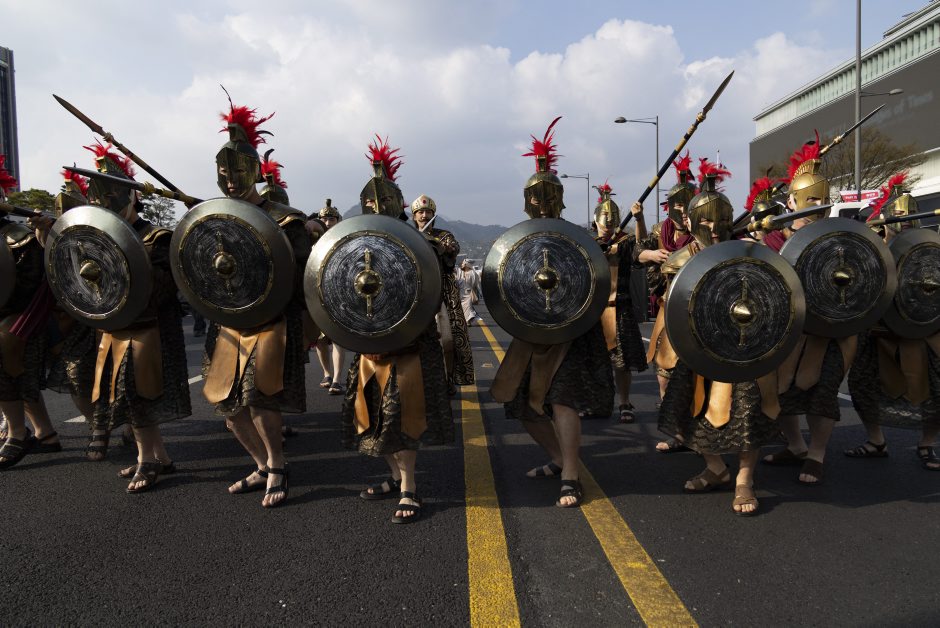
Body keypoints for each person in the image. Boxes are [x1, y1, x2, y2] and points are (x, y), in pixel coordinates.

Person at [489, 117, 613, 508]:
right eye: (536, 198)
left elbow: (592, 281)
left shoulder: (579, 240)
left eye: (548, 197)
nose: (542, 203)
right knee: (522, 404)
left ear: (559, 199)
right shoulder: (518, 242)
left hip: (571, 331)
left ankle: (572, 475)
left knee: (562, 400)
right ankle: (559, 458)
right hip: (531, 333)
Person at [201, 96, 311, 507]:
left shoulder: (286, 218)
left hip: (271, 320)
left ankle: (278, 465)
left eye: (239, 172)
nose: (231, 181)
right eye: (224, 173)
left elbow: (301, 274)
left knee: (259, 399)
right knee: (229, 410)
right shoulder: (213, 217)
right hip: (228, 322)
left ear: (254, 172)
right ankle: (262, 464)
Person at [341, 136, 454, 523]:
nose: (376, 208)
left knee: (401, 418)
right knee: (373, 419)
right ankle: (394, 477)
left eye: (382, 202)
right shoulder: (356, 242)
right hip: (370, 343)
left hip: (409, 346)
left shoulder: (424, 242)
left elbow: (435, 280)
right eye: (369, 204)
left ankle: (409, 487)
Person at [658, 160, 778, 516]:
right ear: (692, 221)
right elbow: (674, 307)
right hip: (697, 349)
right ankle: (715, 468)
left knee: (748, 415)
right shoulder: (679, 260)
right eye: (705, 221)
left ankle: (744, 479)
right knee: (687, 415)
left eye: (719, 220)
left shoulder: (746, 252)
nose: (712, 228)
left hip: (743, 346)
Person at [79, 142, 191, 490]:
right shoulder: (99, 238)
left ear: (132, 197)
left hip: (150, 328)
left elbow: (160, 289)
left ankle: (147, 461)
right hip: (116, 327)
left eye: (113, 197)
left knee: (138, 396)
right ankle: (161, 458)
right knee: (127, 396)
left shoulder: (158, 237)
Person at [761, 136, 848, 484]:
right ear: (793, 202)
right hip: (788, 327)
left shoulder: (838, 235)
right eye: (811, 199)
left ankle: (816, 455)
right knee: (781, 393)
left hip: (828, 327)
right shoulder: (773, 237)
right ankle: (796, 446)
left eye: (822, 200)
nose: (818, 205)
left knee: (822, 394)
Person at [846, 173, 939, 470]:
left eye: (911, 215)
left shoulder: (931, 248)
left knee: (936, 390)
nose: (906, 220)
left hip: (923, 328)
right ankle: (876, 440)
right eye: (899, 215)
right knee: (862, 385)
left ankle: (927, 443)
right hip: (879, 330)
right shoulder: (874, 250)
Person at [0, 154, 61, 469]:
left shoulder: (18, 237)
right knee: (20, 381)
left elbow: (29, 283)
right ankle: (45, 434)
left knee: (11, 372)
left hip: (23, 316)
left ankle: (17, 432)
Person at [635, 152, 697, 452]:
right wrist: (652, 254)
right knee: (664, 374)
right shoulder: (661, 231)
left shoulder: (704, 228)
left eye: (688, 205)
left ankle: (700, 434)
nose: (683, 212)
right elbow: (637, 251)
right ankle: (678, 432)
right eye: (678, 206)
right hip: (667, 308)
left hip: (698, 311)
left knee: (699, 377)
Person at [593, 183, 648, 423]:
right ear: (596, 221)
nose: (607, 227)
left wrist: (639, 219)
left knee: (622, 362)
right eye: (603, 222)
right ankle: (597, 402)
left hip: (621, 308)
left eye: (611, 222)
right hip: (594, 310)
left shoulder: (624, 242)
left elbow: (641, 250)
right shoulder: (589, 244)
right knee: (594, 360)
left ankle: (625, 402)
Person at [411, 194, 473, 394]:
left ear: (433, 215)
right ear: (414, 215)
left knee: (447, 339)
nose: (424, 215)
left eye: (428, 212)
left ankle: (448, 378)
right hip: (414, 293)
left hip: (441, 292)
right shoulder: (407, 235)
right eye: (420, 212)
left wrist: (440, 245)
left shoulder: (444, 235)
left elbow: (453, 248)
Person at [312, 199, 346, 394]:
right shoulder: (311, 242)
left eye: (331, 219)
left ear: (337, 220)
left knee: (338, 338)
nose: (327, 222)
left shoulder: (342, 240)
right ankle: (326, 373)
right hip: (317, 294)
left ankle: (337, 378)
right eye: (324, 219)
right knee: (320, 339)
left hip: (338, 294)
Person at [456, 259, 482, 325]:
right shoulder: (460, 272)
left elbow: (476, 283)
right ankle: (466, 320)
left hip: (468, 292)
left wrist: (475, 290)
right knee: (463, 308)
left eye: (463, 264)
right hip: (461, 293)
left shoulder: (472, 273)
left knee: (469, 307)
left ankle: (468, 321)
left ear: (466, 265)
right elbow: (457, 281)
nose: (462, 265)